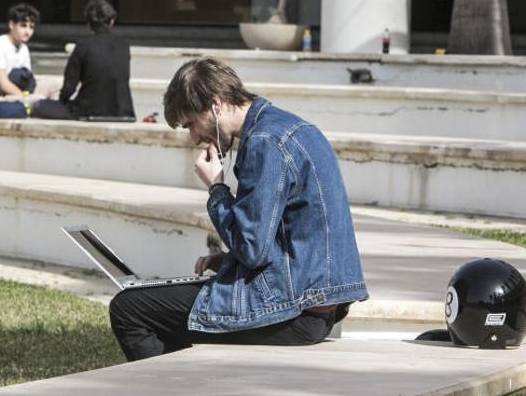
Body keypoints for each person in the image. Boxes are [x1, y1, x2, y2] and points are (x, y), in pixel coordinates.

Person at [108, 57, 368, 361]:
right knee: (161, 305)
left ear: (216, 105)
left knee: (129, 308)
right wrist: (228, 261)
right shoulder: (292, 127)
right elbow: (283, 233)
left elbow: (251, 248)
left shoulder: (264, 142)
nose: (193, 137)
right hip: (315, 303)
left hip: (293, 312)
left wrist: (216, 188)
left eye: (192, 123)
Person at [32, 0, 135, 120]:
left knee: (39, 106)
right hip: (123, 111)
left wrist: (63, 100)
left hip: (87, 110)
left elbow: (70, 85)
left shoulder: (83, 45)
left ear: (88, 24)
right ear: (111, 21)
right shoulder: (123, 46)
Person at [0, 3, 40, 102]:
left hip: (13, 92)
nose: (28, 31)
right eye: (23, 26)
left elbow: (26, 77)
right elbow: (3, 83)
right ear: (11, 25)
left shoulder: (24, 48)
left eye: (31, 27)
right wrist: (25, 99)